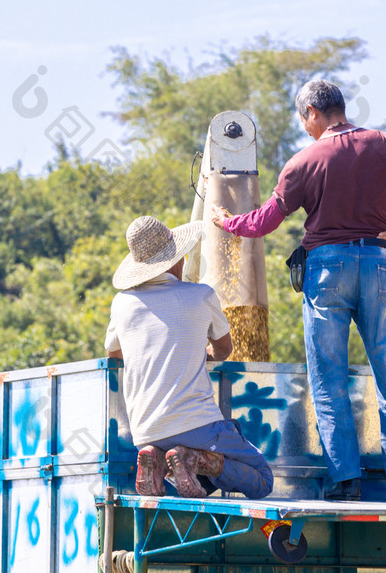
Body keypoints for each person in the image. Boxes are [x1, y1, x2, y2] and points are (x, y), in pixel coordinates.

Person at [212, 79, 386, 503]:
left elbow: (263, 222)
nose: (305, 129)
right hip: (378, 266)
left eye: (303, 120)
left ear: (312, 113)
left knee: (328, 379)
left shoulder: (305, 161)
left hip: (326, 272)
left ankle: (346, 482)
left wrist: (225, 221)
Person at [104, 214, 274, 501]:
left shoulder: (122, 304)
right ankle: (199, 460)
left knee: (173, 451)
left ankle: (155, 459)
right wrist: (203, 353)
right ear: (175, 260)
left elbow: (114, 352)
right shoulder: (201, 295)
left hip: (145, 430)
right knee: (262, 480)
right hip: (197, 424)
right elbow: (224, 349)